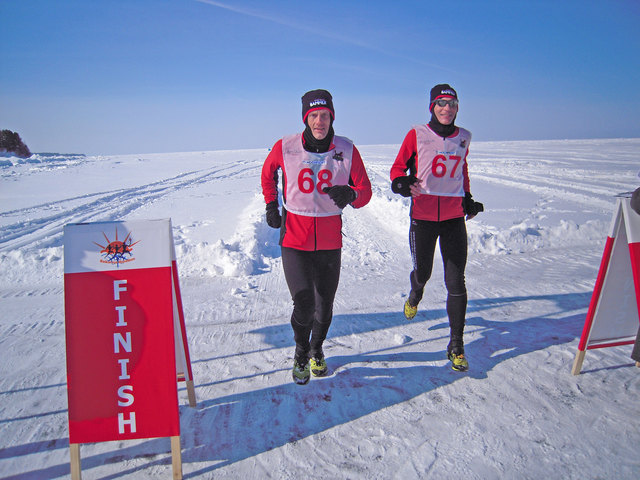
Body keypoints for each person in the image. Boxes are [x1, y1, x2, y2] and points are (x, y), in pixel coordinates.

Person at [261, 89, 372, 385]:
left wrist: (351, 193)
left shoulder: (346, 149)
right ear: (305, 118)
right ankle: (300, 351)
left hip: (329, 241)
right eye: (314, 116)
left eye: (325, 115)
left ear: (332, 116)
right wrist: (271, 203)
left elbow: (365, 193)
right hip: (294, 238)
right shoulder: (285, 146)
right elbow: (267, 173)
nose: (319, 121)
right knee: (304, 303)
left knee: (324, 305)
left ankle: (317, 349)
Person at [389, 83, 483, 372]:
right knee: (424, 272)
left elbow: (462, 170)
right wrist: (402, 183)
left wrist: (467, 198)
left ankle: (456, 345)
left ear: (457, 108)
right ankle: (415, 293)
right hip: (424, 218)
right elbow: (397, 170)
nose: (447, 108)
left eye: (452, 103)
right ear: (432, 106)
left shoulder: (464, 138)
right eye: (441, 103)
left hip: (453, 218)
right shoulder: (417, 134)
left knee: (456, 282)